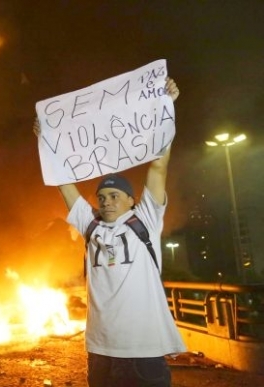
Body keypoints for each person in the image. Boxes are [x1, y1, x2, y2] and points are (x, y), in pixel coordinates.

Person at [36, 77, 185, 386]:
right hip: (100, 351)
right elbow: (63, 181)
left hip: (143, 350)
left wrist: (165, 108)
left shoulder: (144, 219)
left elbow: (158, 167)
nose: (106, 201)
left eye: (115, 196)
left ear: (133, 200)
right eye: (101, 197)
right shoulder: (90, 226)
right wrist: (46, 138)